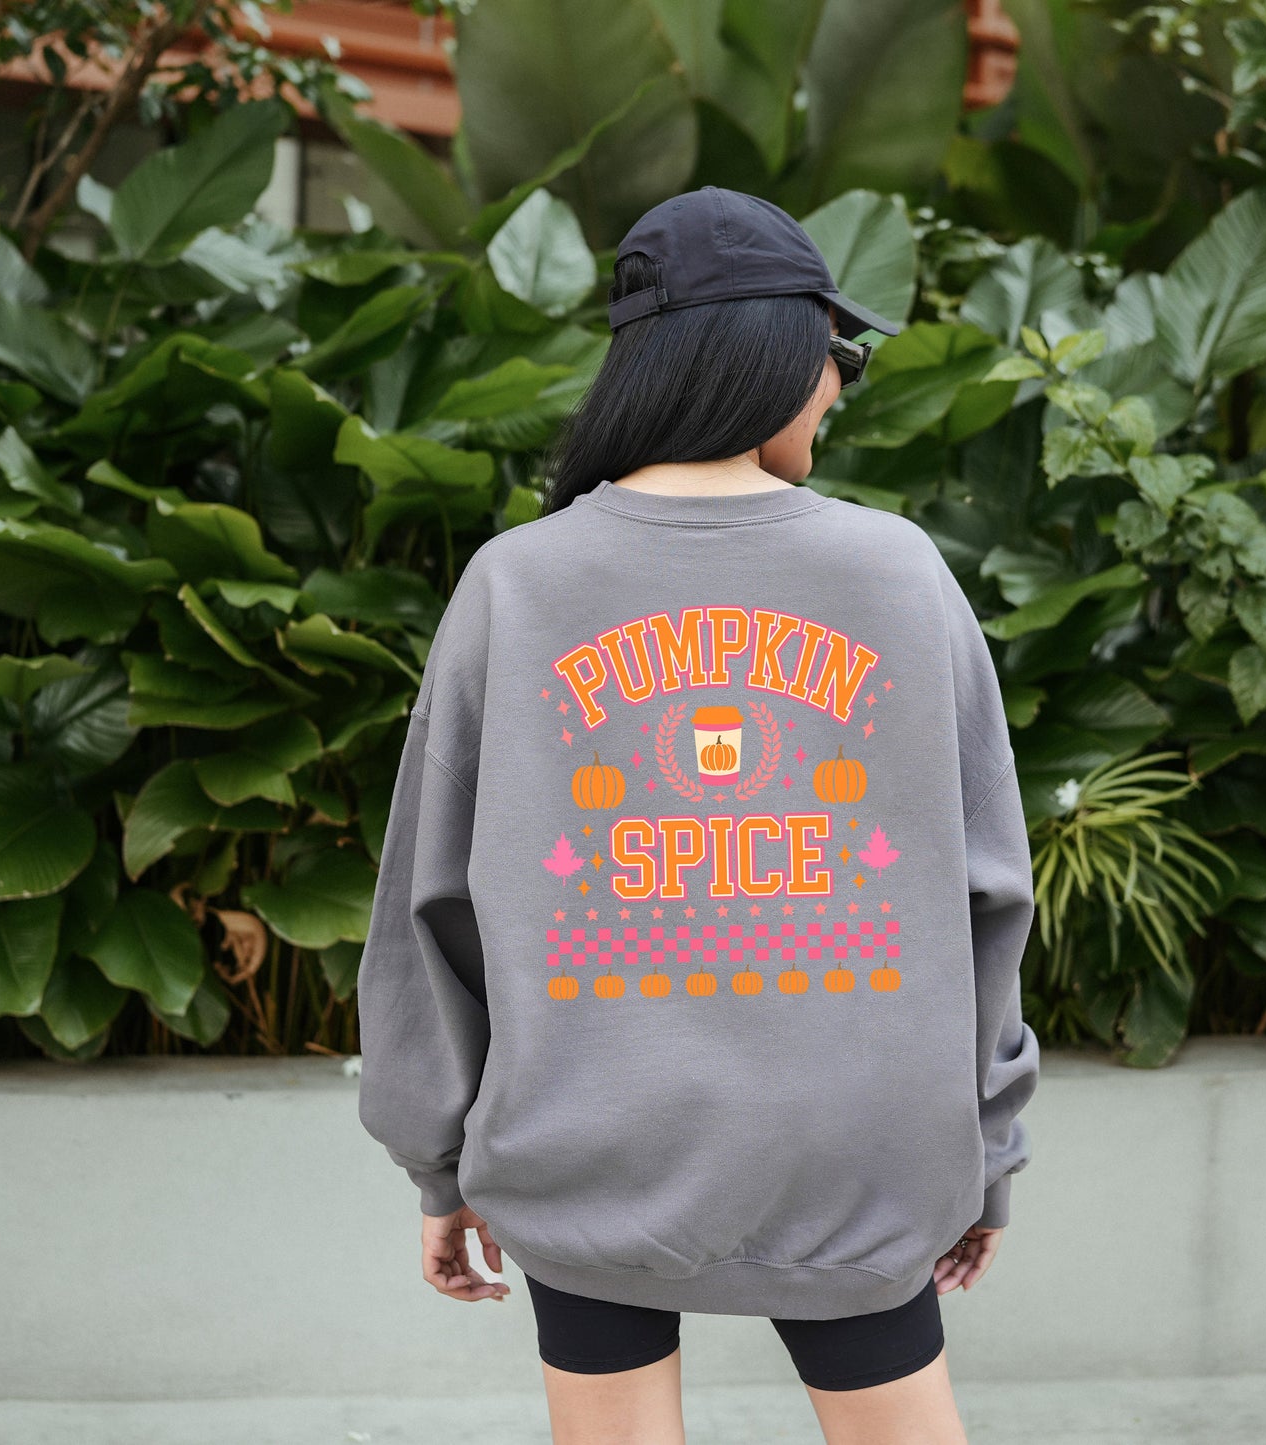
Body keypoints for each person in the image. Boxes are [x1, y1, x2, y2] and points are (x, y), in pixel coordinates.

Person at [356, 185, 1040, 1445]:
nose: (838, 387)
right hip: (856, 1158)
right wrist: (986, 1152)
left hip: (586, 1148)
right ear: (773, 352)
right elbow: (989, 892)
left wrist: (439, 1162)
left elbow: (430, 905)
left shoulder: (516, 584)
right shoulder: (897, 572)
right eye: (836, 354)